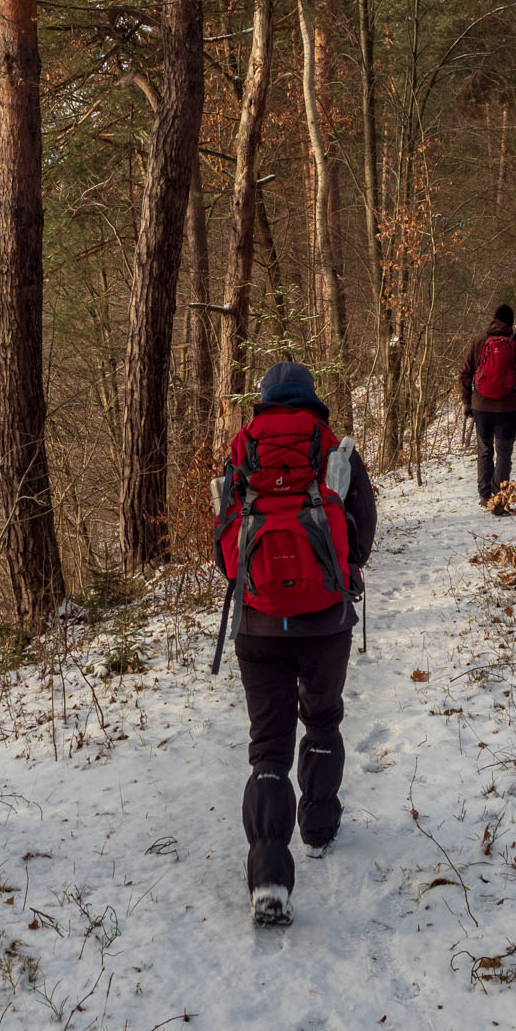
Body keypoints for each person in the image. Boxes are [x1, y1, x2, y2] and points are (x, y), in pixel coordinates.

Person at [211, 361, 376, 927]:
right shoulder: (335, 448)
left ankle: (268, 880)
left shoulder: (242, 450)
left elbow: (223, 544)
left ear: (264, 402)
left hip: (258, 624)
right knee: (323, 720)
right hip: (326, 618)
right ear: (310, 401)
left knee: (269, 748)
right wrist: (342, 571)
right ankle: (320, 828)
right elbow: (364, 524)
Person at [457, 304, 516, 512]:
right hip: (507, 407)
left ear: (494, 320)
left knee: (484, 450)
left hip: (481, 406)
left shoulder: (479, 342)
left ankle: (485, 495)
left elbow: (464, 373)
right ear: (511, 323)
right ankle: (500, 499)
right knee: (504, 453)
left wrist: (467, 401)